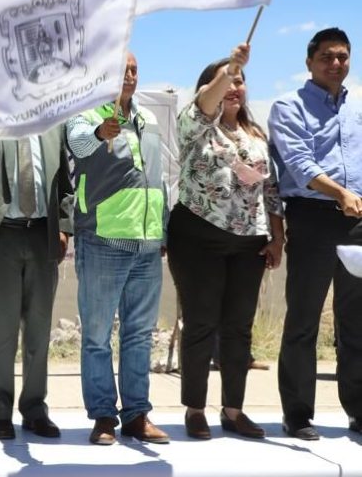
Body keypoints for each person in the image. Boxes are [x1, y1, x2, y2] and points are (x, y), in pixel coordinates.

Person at [168, 44, 284, 440]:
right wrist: (230, 67)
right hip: (198, 237)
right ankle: (195, 409)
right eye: (228, 80)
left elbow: (271, 191)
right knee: (201, 323)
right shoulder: (195, 123)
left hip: (249, 241)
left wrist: (277, 236)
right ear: (210, 87)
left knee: (239, 327)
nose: (235, 86)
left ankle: (233, 410)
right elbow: (206, 103)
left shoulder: (256, 134)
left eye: (240, 81)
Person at [65, 52, 169, 446]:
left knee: (139, 334)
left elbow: (158, 178)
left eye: (133, 69)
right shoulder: (86, 115)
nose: (129, 75)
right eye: (120, 69)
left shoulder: (148, 119)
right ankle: (104, 416)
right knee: (96, 335)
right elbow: (77, 143)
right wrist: (100, 133)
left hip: (147, 243)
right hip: (103, 239)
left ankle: (137, 414)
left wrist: (162, 229)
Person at [0, 101, 73, 442]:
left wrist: (64, 227)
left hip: (41, 236)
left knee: (38, 332)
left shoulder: (54, 123)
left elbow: (64, 182)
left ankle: (35, 410)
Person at [269, 27, 362, 440]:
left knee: (356, 320)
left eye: (342, 56)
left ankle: (359, 411)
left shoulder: (357, 107)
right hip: (312, 217)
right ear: (309, 62)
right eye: (326, 56)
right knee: (304, 318)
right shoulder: (289, 106)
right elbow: (299, 163)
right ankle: (298, 414)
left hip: (357, 221)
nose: (335, 63)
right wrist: (340, 193)